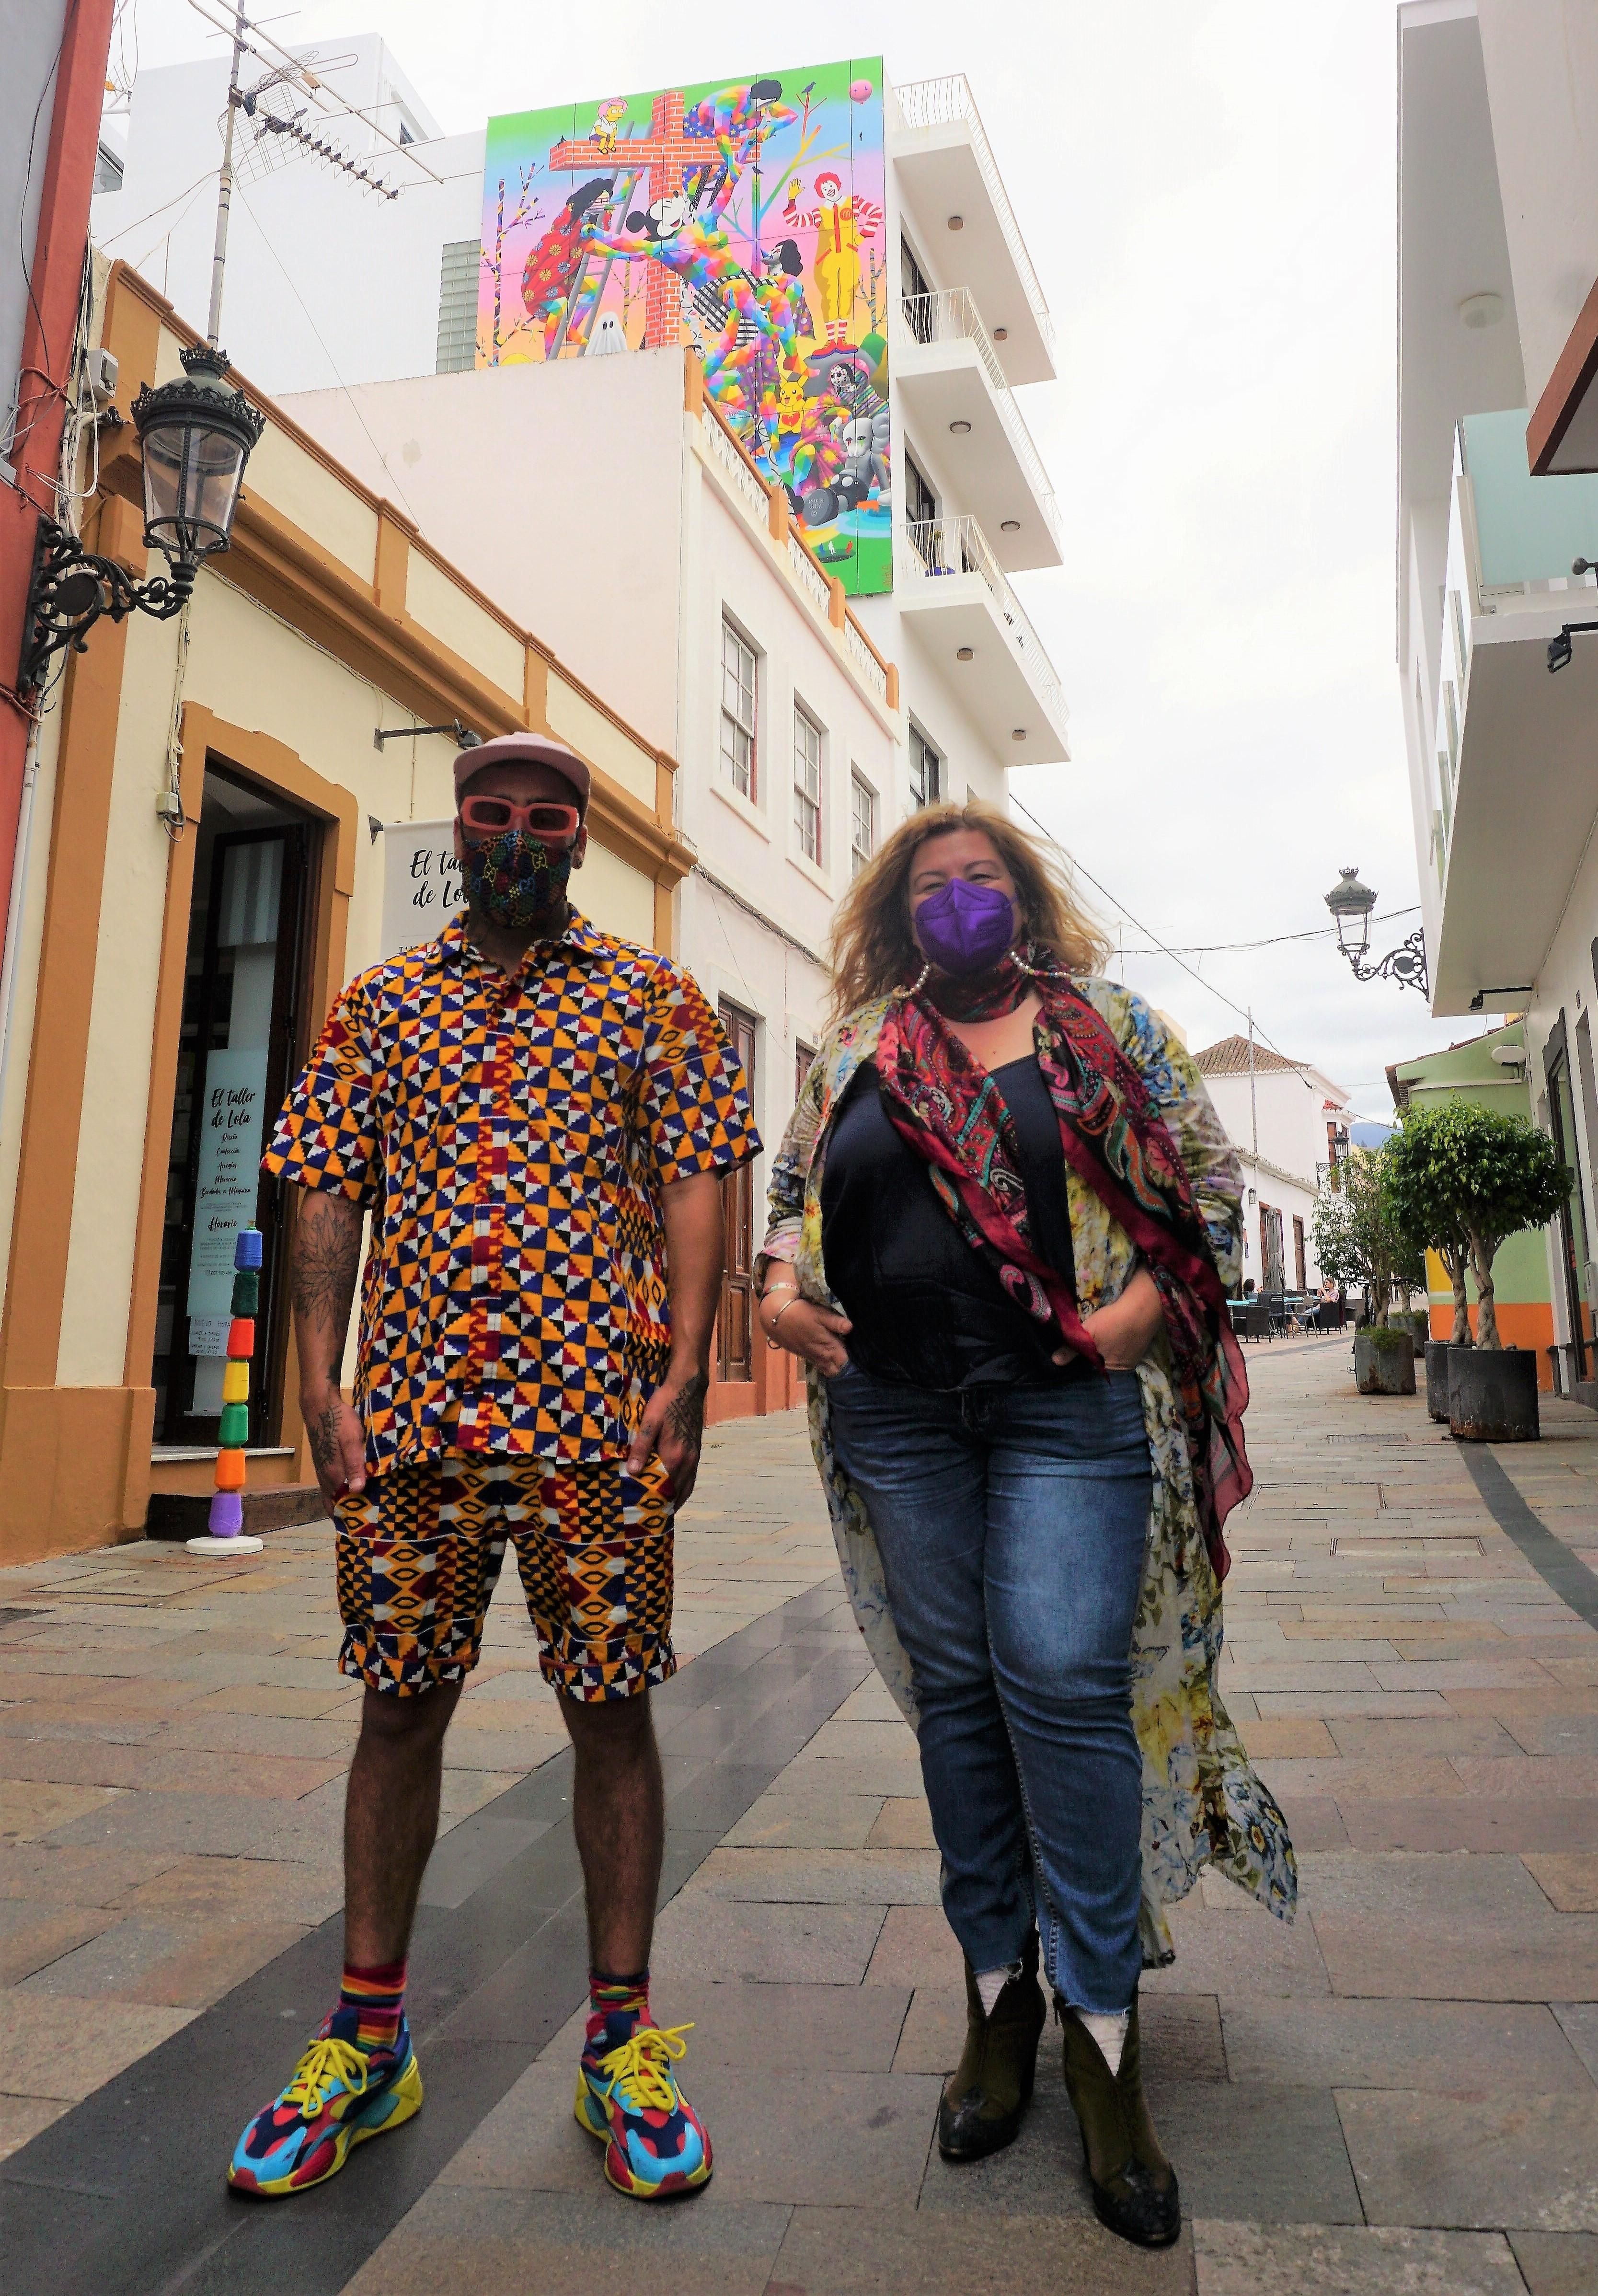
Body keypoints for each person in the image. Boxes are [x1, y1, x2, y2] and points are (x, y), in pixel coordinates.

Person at [229, 732, 759, 2204]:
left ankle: (621, 2041)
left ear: (581, 839)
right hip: (415, 1429)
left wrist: (687, 1373)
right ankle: (368, 2037)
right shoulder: (380, 1006)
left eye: (546, 818)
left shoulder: (649, 997)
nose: (517, 835)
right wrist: (317, 1381)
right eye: (492, 813)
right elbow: (329, 1183)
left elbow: (697, 1171)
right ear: (457, 829)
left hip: (599, 1420)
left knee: (612, 1712)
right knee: (397, 1710)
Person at [758, 803, 1295, 2250]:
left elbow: (1214, 1197)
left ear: (1022, 896)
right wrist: (776, 1293)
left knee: (1060, 1682)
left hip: (1069, 1411)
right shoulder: (856, 1046)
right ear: (897, 912)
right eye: (930, 887)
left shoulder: (1109, 1026)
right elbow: (793, 1195)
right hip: (897, 1417)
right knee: (957, 1704)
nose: (957, 903)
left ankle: (1103, 2037)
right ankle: (999, 1997)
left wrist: (1133, 1321)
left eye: (979, 880)